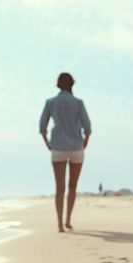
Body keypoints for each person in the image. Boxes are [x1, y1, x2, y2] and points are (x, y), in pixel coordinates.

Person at [39, 72, 91, 232]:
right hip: (76, 147)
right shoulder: (78, 103)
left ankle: (60, 224)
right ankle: (68, 219)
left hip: (58, 147)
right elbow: (88, 127)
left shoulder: (50, 102)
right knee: (72, 187)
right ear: (72, 85)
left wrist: (48, 143)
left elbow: (42, 127)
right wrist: (84, 144)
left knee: (59, 188)